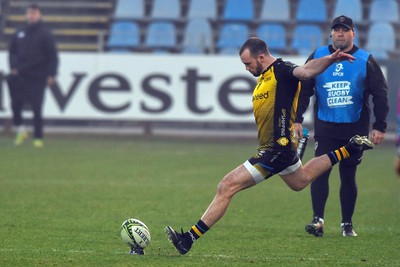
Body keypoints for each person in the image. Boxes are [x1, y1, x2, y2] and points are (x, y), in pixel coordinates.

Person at [162, 37, 375, 255]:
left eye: (248, 63)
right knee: (300, 181)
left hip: (275, 150)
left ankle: (188, 239)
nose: (246, 68)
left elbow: (305, 71)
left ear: (261, 57)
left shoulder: (282, 70)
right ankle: (349, 149)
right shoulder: (264, 77)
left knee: (226, 186)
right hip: (278, 149)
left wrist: (329, 60)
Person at [294, 15, 389, 237]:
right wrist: (297, 118)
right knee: (319, 174)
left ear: (353, 33)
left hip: (354, 129)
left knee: (348, 175)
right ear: (331, 33)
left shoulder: (365, 59)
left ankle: (347, 223)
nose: (340, 33)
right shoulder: (318, 56)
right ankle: (318, 220)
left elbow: (380, 93)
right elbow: (304, 89)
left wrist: (380, 126)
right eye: (336, 29)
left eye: (344, 30)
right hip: (326, 128)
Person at [7, 4, 58, 148]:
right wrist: (13, 67)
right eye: (30, 13)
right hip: (20, 74)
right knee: (15, 104)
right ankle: (20, 130)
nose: (32, 16)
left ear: (40, 15)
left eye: (34, 13)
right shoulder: (20, 32)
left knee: (37, 107)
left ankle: (38, 137)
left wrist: (51, 74)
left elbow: (52, 56)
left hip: (37, 75)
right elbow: (12, 51)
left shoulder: (45, 34)